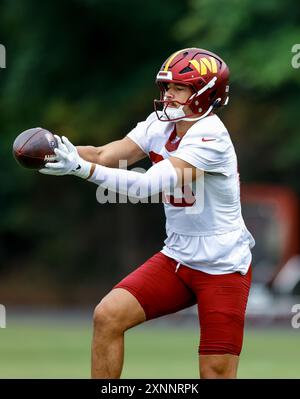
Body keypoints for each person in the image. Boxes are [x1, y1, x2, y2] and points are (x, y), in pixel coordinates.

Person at [40, 47, 255, 379]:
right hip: (179, 257)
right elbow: (105, 153)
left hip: (222, 266)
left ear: (204, 94)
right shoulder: (161, 123)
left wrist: (80, 170)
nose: (168, 95)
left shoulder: (211, 138)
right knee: (108, 315)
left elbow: (145, 187)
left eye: (178, 88)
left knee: (215, 373)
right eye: (167, 87)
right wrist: (56, 152)